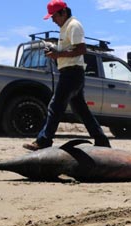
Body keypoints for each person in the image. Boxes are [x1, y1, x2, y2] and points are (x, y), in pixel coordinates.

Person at [24, 0, 110, 151]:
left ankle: (43, 140)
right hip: (72, 73)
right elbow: (70, 49)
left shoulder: (73, 25)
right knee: (81, 110)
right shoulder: (65, 27)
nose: (52, 20)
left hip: (72, 73)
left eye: (54, 16)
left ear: (63, 12)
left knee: (55, 106)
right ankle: (102, 140)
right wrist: (55, 50)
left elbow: (81, 49)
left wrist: (58, 54)